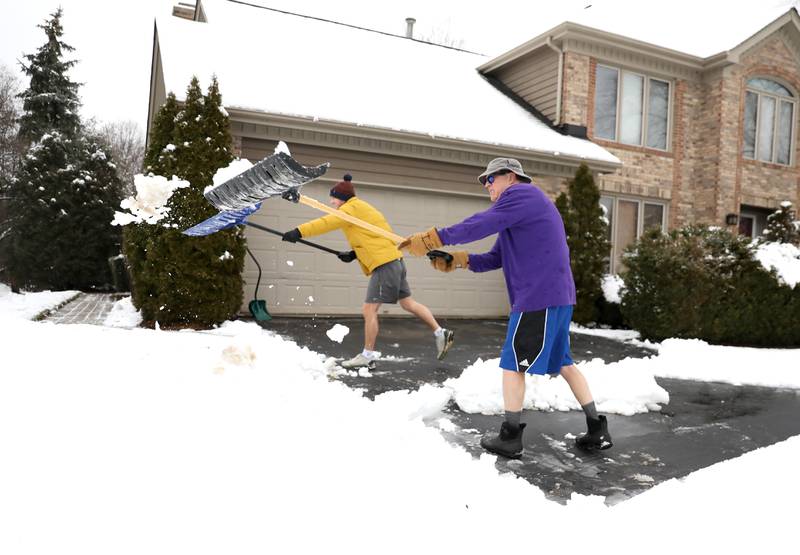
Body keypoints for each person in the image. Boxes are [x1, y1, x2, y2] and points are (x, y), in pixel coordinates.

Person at [400, 158, 612, 458]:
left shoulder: (522, 195)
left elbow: (481, 223)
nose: (486, 185)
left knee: (513, 363)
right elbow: (495, 257)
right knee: (564, 362)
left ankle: (511, 437)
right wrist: (458, 260)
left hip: (539, 297)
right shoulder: (521, 211)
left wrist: (435, 237)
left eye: (490, 179)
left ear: (510, 176)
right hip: (556, 297)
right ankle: (596, 429)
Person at [282, 174, 454, 369]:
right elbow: (375, 235)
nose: (331, 202)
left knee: (369, 309)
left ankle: (368, 355)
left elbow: (326, 222)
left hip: (385, 264)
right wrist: (355, 254)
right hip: (395, 261)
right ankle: (441, 333)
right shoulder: (364, 208)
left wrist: (298, 232)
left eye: (334, 197)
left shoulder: (349, 208)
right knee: (408, 303)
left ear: (343, 197)